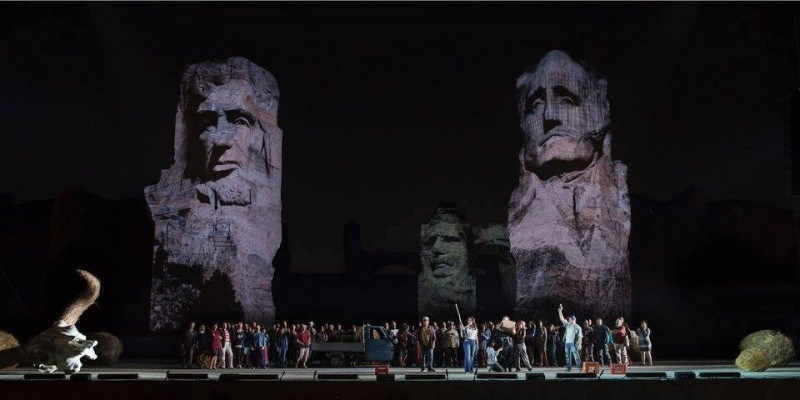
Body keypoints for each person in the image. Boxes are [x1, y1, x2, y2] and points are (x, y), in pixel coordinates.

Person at [557, 304, 583, 372]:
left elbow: (580, 336)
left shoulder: (578, 327)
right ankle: (568, 368)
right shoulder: (568, 325)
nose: (569, 320)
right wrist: (560, 311)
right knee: (567, 356)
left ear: (574, 320)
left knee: (576, 356)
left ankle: (580, 368)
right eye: (569, 319)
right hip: (567, 343)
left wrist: (580, 344)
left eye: (570, 319)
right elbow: (562, 319)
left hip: (573, 343)